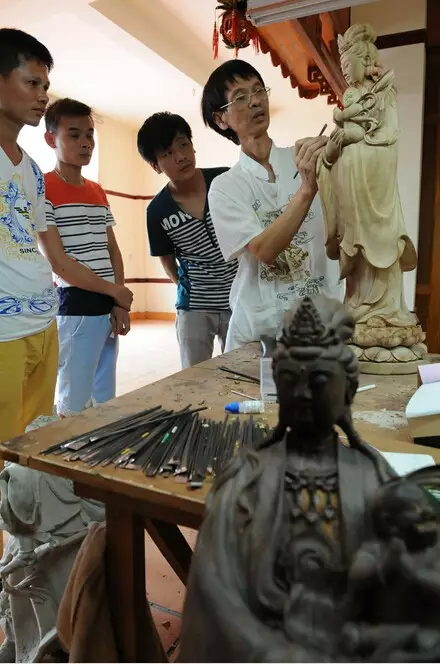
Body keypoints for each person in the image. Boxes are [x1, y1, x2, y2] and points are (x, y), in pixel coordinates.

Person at [201, 60, 341, 352]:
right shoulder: (226, 187)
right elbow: (264, 251)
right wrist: (307, 190)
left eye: (258, 90)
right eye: (240, 97)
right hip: (258, 331)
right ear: (221, 119)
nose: (255, 101)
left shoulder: (303, 158)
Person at [38, 98, 133, 417]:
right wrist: (114, 291)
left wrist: (118, 302)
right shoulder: (43, 188)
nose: (85, 142)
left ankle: (100, 448)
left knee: (105, 398)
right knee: (74, 402)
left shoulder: (96, 190)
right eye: (74, 134)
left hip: (108, 306)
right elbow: (59, 263)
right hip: (76, 307)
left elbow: (112, 249)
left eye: (90, 134)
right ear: (51, 139)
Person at [137, 112, 238, 369]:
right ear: (155, 166)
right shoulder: (157, 210)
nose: (181, 156)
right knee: (194, 378)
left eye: (183, 145)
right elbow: (167, 260)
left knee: (241, 371)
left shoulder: (225, 181)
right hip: (194, 307)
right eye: (168, 153)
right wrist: (190, 287)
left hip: (239, 298)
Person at [0, 28, 59, 443]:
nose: (42, 96)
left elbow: (40, 243)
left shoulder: (33, 169)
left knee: (33, 447)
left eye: (45, 86)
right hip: (4, 334)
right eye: (32, 83)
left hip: (43, 321)